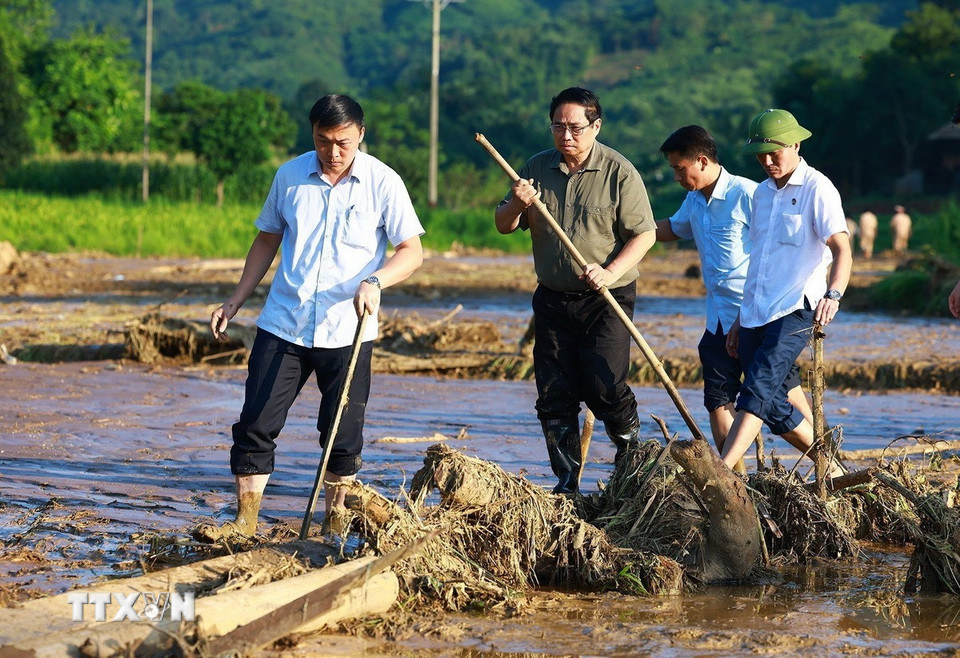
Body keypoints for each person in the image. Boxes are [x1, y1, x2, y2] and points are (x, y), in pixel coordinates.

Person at [194, 94, 425, 542]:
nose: (332, 152)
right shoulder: (290, 176)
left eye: (342, 142)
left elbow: (411, 251)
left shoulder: (383, 182)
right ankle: (246, 520)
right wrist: (235, 300)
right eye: (323, 141)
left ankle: (333, 522)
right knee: (256, 422)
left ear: (360, 134)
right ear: (313, 134)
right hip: (285, 321)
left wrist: (375, 281)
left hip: (348, 328)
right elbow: (267, 240)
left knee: (342, 432)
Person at [495, 87, 657, 494]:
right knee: (554, 393)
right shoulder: (536, 168)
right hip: (553, 298)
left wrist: (610, 271)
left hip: (606, 298)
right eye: (558, 126)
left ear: (595, 126)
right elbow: (503, 224)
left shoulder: (619, 172)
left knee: (605, 385)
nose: (565, 135)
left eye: (575, 128)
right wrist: (517, 203)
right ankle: (567, 483)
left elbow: (645, 234)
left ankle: (630, 459)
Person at [654, 125, 812, 457]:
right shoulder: (694, 200)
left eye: (679, 169)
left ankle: (827, 464)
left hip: (757, 315)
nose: (676, 177)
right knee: (717, 399)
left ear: (701, 161)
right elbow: (671, 229)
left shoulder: (749, 195)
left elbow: (778, 251)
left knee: (779, 395)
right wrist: (626, 227)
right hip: (717, 318)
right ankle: (732, 480)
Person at [721, 108, 852, 474]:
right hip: (756, 312)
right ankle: (835, 472)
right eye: (760, 155)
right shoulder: (761, 194)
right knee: (775, 406)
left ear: (795, 145)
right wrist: (740, 317)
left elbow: (842, 248)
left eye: (773, 153)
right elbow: (759, 262)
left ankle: (720, 473)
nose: (767, 162)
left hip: (796, 308)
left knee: (757, 389)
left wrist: (834, 295)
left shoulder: (817, 188)